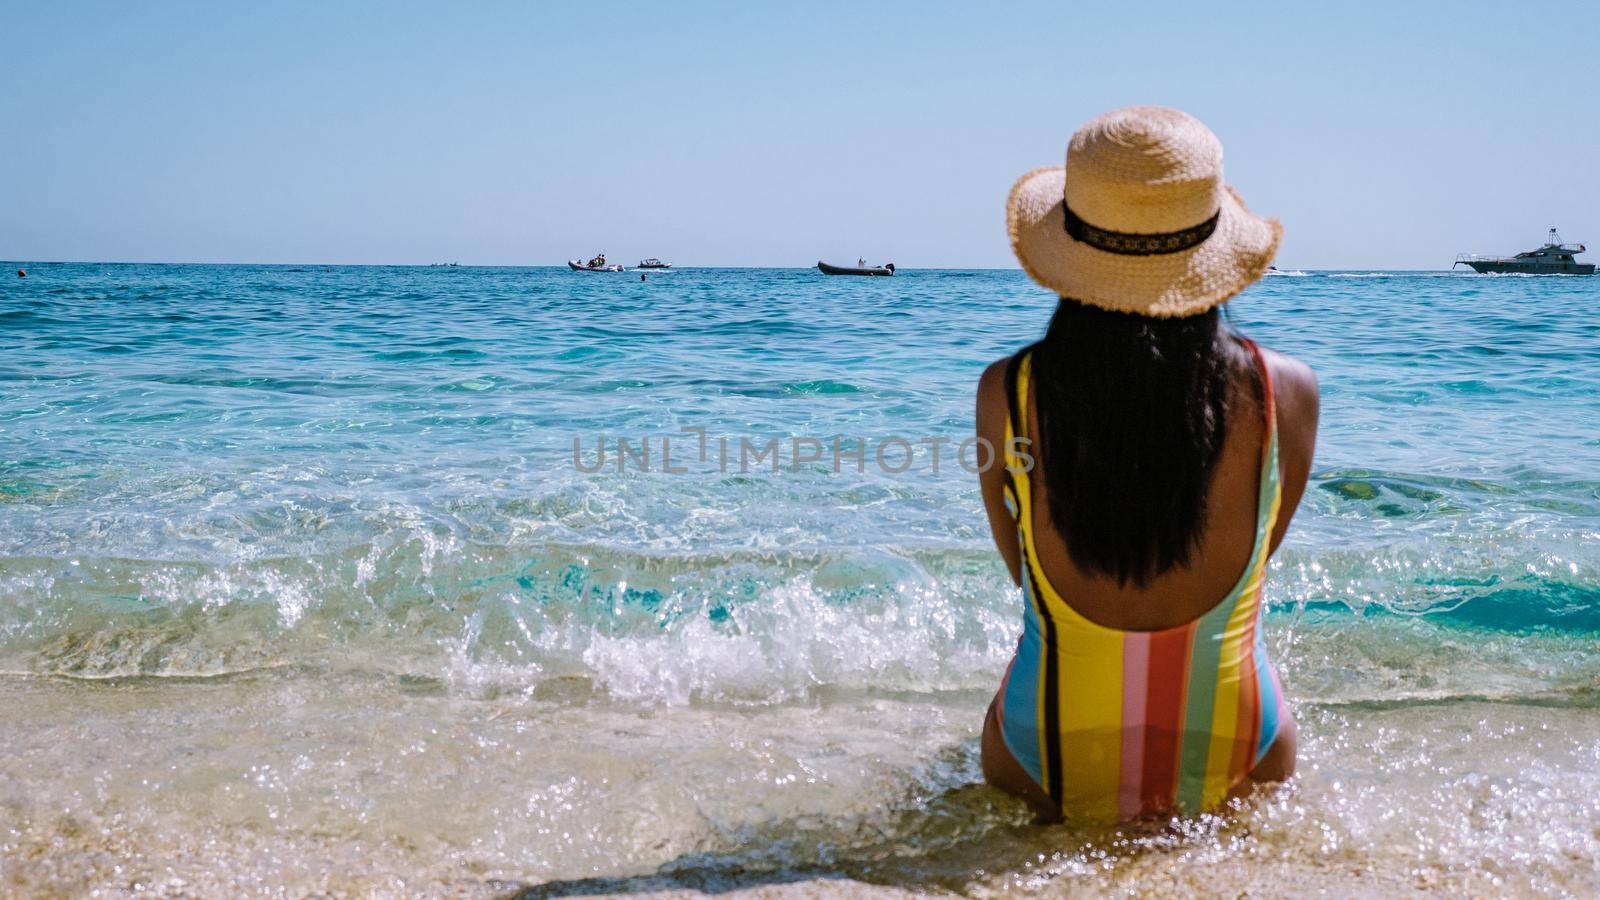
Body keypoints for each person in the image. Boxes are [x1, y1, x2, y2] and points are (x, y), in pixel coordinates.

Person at [976, 106, 1319, 825]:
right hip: (1237, 744)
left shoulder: (1008, 392)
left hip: (1046, 748)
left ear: (1070, 245)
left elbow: (1024, 569)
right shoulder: (1285, 391)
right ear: (1211, 248)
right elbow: (1260, 552)